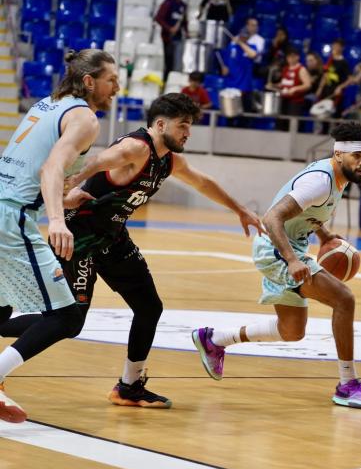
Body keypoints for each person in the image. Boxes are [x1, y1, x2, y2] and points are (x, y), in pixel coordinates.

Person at [2, 94, 264, 409]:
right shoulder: (136, 148)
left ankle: (129, 386)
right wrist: (72, 185)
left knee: (149, 307)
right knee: (69, 322)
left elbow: (202, 183)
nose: (188, 133)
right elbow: (97, 161)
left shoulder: (169, 160)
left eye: (190, 126)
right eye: (183, 125)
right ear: (161, 124)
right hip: (80, 239)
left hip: (113, 239)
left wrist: (239, 210)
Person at [191, 122, 361, 409]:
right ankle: (348, 384)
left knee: (291, 330)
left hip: (288, 247)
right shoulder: (321, 181)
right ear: (338, 154)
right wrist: (291, 260)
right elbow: (272, 218)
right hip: (276, 250)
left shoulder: (337, 176)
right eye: (357, 156)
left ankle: (214, 339)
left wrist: (324, 234)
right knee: (344, 299)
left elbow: (307, 211)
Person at [0, 49, 119, 422]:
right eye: (111, 80)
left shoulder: (47, 104)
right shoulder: (84, 117)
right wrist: (56, 219)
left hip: (4, 205)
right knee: (67, 317)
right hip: (11, 219)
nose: (117, 88)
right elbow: (51, 167)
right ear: (89, 81)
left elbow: (32, 166)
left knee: (1, 314)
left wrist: (63, 199)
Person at [273, 46, 312, 132]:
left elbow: (307, 85)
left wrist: (295, 89)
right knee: (281, 124)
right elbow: (285, 82)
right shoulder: (286, 69)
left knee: (292, 125)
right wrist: (276, 85)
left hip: (295, 102)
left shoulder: (301, 69)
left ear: (297, 57)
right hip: (284, 100)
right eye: (288, 57)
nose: (290, 59)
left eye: (292, 56)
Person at [154, 0, 188, 80]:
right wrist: (169, 28)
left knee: (177, 63)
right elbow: (158, 18)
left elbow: (184, 21)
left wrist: (186, 32)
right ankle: (166, 82)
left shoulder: (183, 5)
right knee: (169, 63)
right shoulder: (167, 3)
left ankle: (174, 81)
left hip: (179, 37)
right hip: (168, 38)